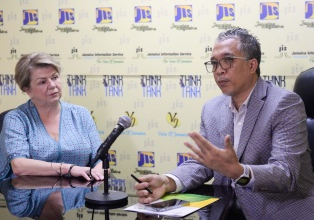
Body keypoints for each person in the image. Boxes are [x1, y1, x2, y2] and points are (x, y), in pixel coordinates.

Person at [134, 28, 314, 219]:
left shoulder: (284, 104)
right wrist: (167, 181)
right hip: (225, 210)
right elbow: (202, 164)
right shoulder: (211, 108)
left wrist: (239, 172)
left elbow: (286, 174)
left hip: (278, 211)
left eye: (228, 60)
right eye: (214, 63)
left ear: (252, 65)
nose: (219, 70)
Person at [0, 52, 104, 183]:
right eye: (42, 82)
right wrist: (70, 169)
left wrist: (98, 173)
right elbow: (19, 166)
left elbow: (101, 157)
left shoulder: (81, 114)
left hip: (80, 194)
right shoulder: (16, 119)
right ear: (27, 89)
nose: (52, 85)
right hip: (31, 196)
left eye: (55, 77)